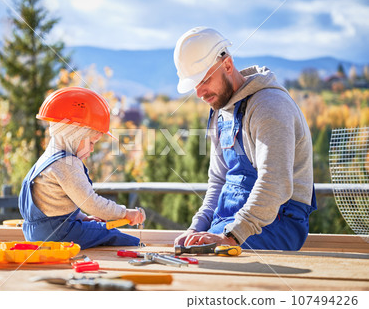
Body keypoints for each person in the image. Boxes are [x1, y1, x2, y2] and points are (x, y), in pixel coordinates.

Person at [173, 27, 317, 250]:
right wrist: (196, 227)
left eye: (204, 80)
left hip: (276, 223)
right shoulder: (221, 110)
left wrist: (231, 237)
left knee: (213, 260)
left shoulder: (269, 105)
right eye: (195, 85)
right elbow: (219, 181)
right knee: (191, 255)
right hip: (231, 225)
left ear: (227, 65)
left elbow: (275, 182)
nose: (200, 93)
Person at [18, 87, 144, 249]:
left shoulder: (47, 159)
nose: (91, 149)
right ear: (74, 135)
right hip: (59, 234)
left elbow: (54, 203)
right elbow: (91, 202)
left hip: (37, 233)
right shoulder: (66, 163)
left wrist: (82, 218)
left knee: (99, 230)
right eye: (91, 142)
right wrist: (125, 213)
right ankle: (140, 250)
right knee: (114, 235)